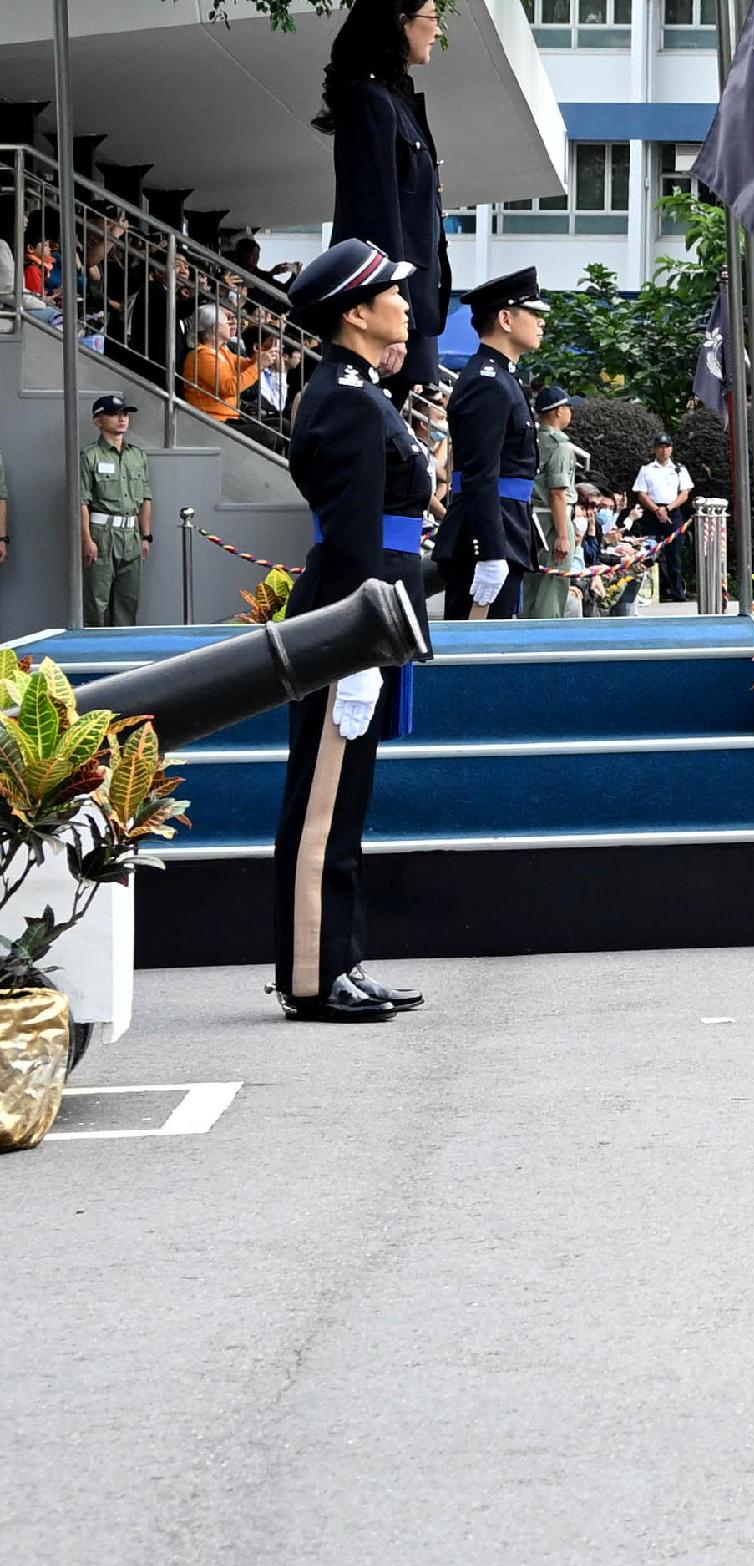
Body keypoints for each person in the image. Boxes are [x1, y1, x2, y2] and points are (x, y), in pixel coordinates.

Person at [272, 238, 435, 1023]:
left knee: (349, 798)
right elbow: (349, 538)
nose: (406, 302)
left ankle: (342, 957)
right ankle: (311, 971)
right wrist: (358, 644)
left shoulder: (363, 389)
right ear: (357, 313)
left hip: (375, 620)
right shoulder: (344, 397)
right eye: (392, 294)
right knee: (323, 800)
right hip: (353, 621)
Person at [315, 0, 455, 393]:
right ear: (401, 22)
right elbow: (373, 215)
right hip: (386, 309)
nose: (437, 31)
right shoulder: (370, 101)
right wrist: (390, 313)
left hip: (404, 304)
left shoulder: (394, 101)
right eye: (431, 18)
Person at [440, 268, 549, 622]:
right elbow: (479, 473)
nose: (541, 322)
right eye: (533, 312)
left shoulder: (502, 378)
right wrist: (489, 549)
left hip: (506, 524)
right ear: (505, 318)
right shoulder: (487, 382)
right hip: (489, 532)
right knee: (474, 659)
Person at [75, 392, 152, 626]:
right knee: (96, 602)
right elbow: (81, 501)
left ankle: (125, 655)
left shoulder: (137, 456)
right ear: (98, 421)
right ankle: (94, 653)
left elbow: (146, 498)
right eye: (113, 414)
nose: (122, 419)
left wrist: (145, 535)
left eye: (125, 414)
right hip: (102, 533)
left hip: (131, 534)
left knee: (128, 600)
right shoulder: (90, 456)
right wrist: (87, 539)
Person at [526, 386, 583, 619]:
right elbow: (558, 493)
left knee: (531, 585)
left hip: (532, 518)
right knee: (552, 586)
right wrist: (562, 534)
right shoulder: (560, 445)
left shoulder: (532, 439)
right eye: (568, 407)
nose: (570, 412)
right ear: (558, 411)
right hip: (552, 519)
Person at [629, 434, 698, 602]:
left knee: (674, 553)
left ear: (671, 448)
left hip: (672, 512)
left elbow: (685, 493)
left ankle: (676, 591)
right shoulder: (646, 469)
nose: (663, 450)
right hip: (652, 513)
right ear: (654, 449)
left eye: (667, 446)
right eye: (660, 446)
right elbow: (641, 493)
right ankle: (647, 593)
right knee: (649, 551)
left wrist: (667, 508)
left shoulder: (679, 469)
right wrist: (657, 510)